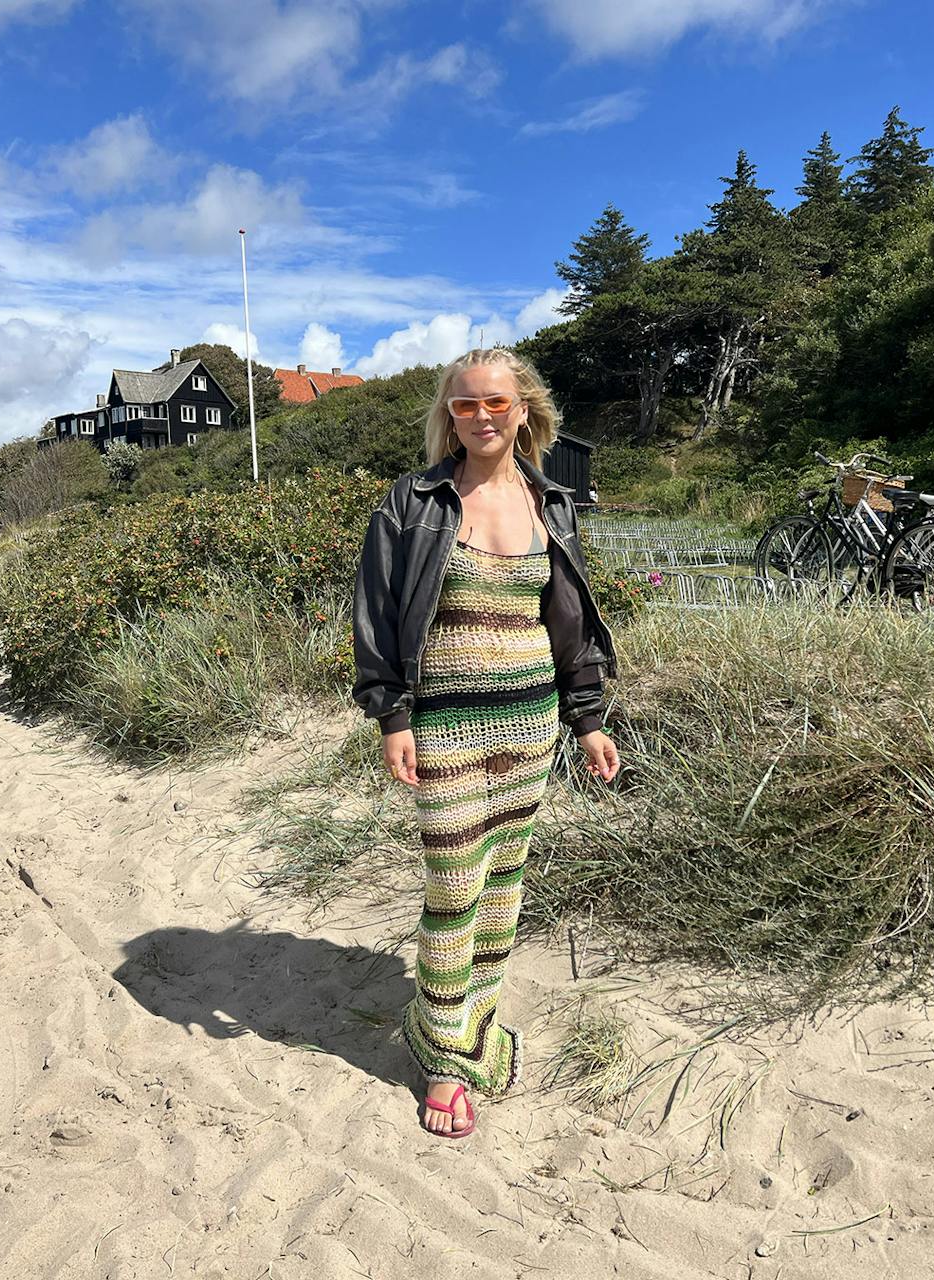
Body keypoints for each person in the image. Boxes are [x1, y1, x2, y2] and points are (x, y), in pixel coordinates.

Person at [351, 347, 620, 1139]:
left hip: (531, 725)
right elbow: (376, 615)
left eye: (495, 403)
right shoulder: (413, 502)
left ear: (524, 409)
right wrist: (392, 718)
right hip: (445, 727)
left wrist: (588, 720)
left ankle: (475, 1023)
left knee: (503, 885)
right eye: (464, 404)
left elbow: (568, 623)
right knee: (453, 887)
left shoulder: (552, 502)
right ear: (450, 414)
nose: (480, 417)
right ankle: (444, 1058)